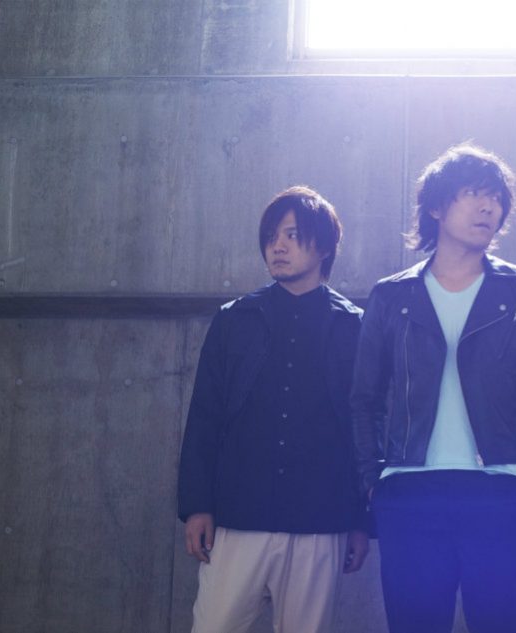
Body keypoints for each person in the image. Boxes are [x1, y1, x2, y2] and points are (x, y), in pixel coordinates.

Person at [350, 143, 516, 633]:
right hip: (410, 493)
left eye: (496, 198)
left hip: (502, 489)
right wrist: (374, 481)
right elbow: (364, 401)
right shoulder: (392, 295)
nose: (488, 207)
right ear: (436, 207)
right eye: (473, 194)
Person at [177, 186, 369, 633]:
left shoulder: (353, 327)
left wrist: (361, 521)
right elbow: (205, 415)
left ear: (324, 246)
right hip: (239, 515)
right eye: (271, 237)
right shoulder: (234, 320)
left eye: (292, 235)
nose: (277, 246)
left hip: (321, 519)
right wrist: (197, 505)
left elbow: (364, 429)